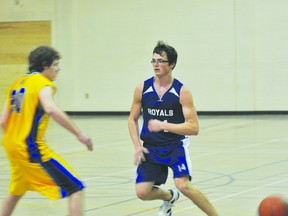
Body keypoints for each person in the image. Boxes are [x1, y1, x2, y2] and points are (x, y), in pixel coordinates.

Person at [0, 45, 93, 216]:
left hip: (12, 147)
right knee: (75, 188)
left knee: (16, 191)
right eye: (55, 64)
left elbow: (3, 121)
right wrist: (79, 133)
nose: (58, 69)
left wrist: (16, 139)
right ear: (45, 65)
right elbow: (50, 108)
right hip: (30, 148)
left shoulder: (16, 85)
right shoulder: (43, 83)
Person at [128, 41, 218, 216]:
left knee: (183, 185)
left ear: (172, 64)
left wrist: (163, 125)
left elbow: (194, 128)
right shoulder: (142, 88)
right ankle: (169, 197)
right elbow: (132, 119)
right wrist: (137, 145)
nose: (156, 64)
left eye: (161, 61)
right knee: (142, 192)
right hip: (151, 147)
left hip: (175, 145)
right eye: (153, 60)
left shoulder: (182, 92)